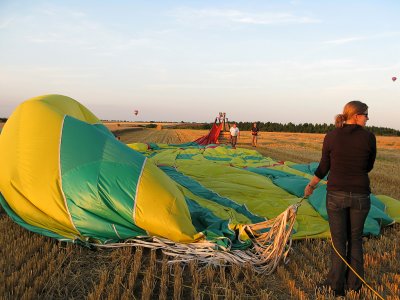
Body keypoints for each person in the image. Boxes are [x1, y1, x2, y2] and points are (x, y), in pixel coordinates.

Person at [304, 101, 376, 296]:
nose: (368, 118)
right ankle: (354, 285)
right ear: (355, 115)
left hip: (336, 195)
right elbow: (368, 166)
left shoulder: (331, 136)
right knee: (355, 240)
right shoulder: (369, 138)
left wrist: (311, 185)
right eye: (366, 114)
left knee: (338, 241)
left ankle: (336, 286)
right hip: (361, 195)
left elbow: (324, 166)